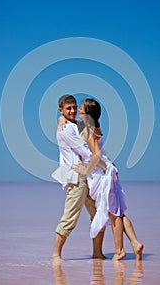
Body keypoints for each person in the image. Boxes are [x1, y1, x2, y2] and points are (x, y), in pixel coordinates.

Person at [72, 98, 144, 261]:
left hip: (102, 175)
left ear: (88, 113)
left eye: (82, 109)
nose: (79, 111)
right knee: (118, 212)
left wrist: (85, 169)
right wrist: (61, 118)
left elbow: (96, 155)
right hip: (109, 171)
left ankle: (119, 251)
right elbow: (72, 123)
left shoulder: (88, 130)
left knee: (113, 213)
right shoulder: (94, 127)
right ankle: (135, 243)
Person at [51, 95, 107, 264]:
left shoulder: (77, 124)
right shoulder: (65, 129)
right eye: (68, 109)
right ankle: (56, 255)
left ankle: (97, 253)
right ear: (61, 109)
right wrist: (105, 165)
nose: (73, 111)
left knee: (98, 214)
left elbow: (96, 134)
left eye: (75, 107)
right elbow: (87, 151)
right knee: (70, 217)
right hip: (77, 177)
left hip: (89, 174)